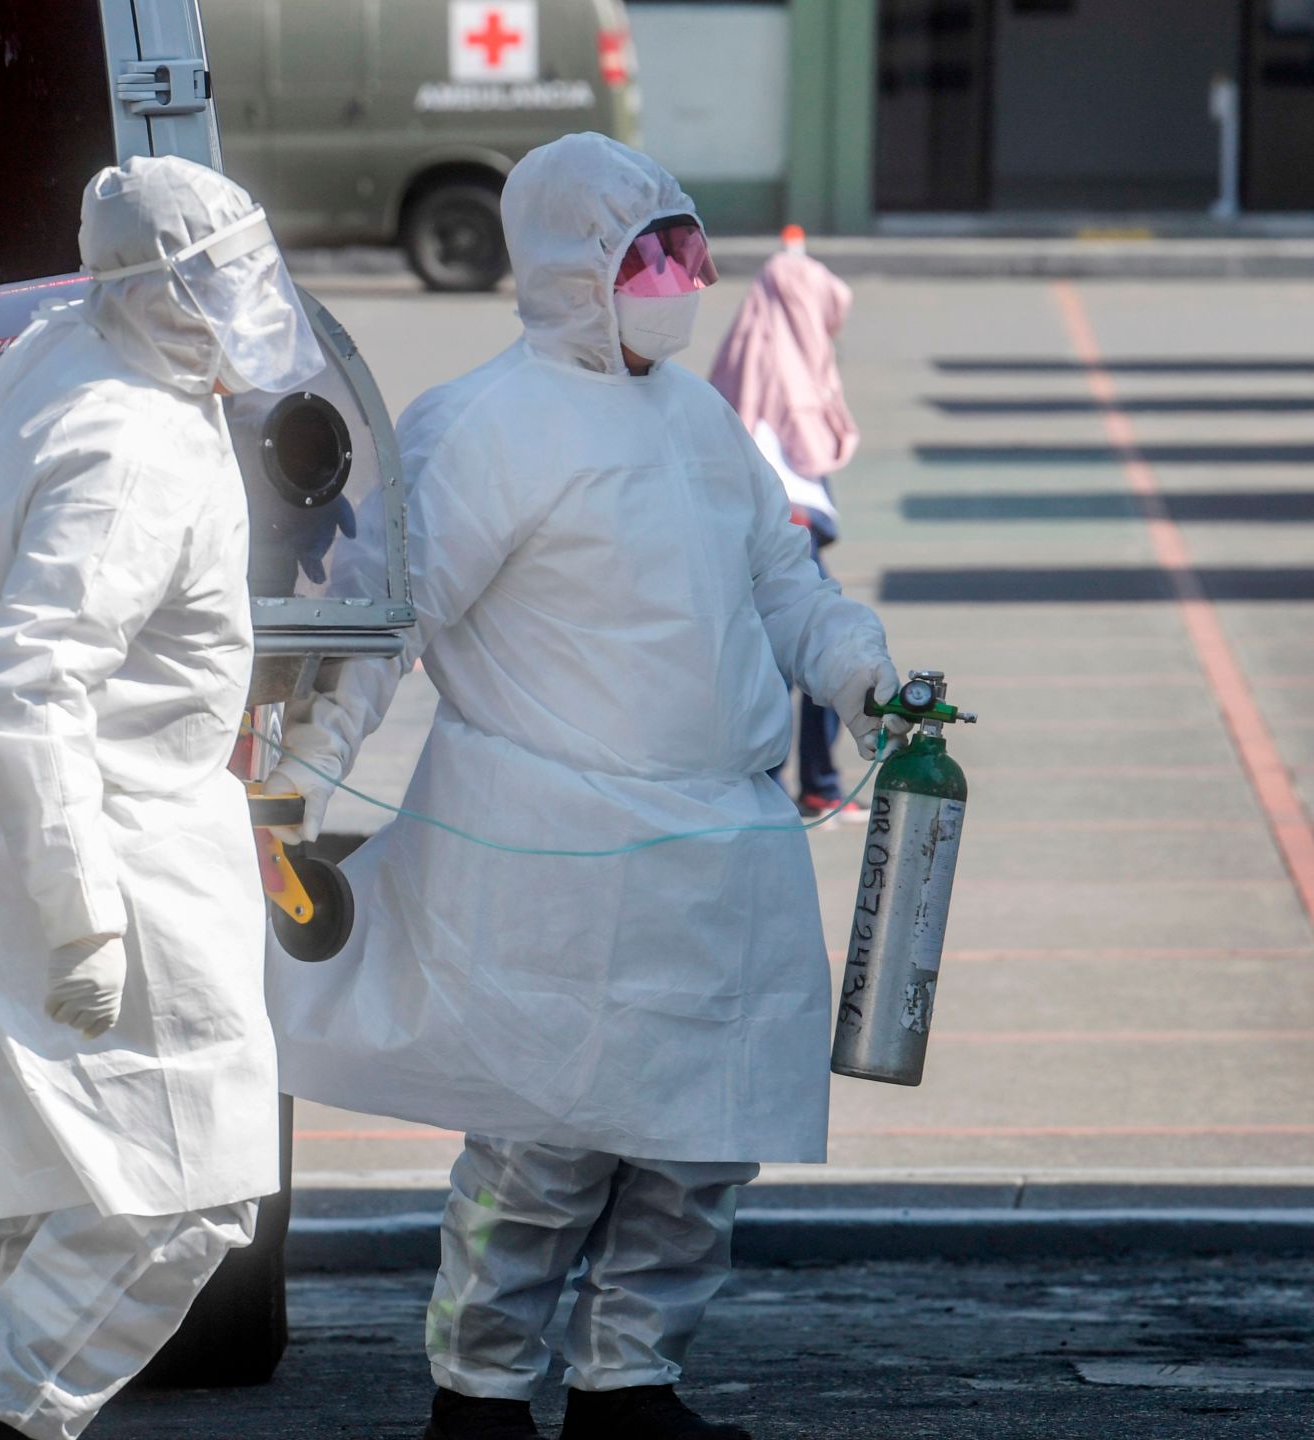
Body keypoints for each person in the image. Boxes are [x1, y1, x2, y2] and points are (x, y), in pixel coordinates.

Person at [264, 135, 901, 1440]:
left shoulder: (700, 420)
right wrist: (299, 783)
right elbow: (392, 622)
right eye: (653, 255)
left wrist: (867, 676)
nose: (685, 279)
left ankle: (629, 1385)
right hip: (549, 845)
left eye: (686, 249)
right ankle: (480, 1390)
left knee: (696, 1144)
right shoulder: (484, 427)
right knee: (539, 1151)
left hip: (717, 841)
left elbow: (788, 587)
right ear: (573, 267)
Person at [0, 154, 325, 1440]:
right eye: (221, 280)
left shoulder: (69, 346)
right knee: (189, 1190)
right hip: (97, 837)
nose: (247, 302)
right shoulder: (140, 451)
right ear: (165, 292)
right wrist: (83, 919)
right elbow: (32, 684)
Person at [706, 230, 865, 820]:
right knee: (814, 649)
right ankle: (805, 782)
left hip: (756, 531)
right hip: (787, 529)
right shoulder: (792, 364)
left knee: (774, 658)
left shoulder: (743, 350)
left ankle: (773, 783)